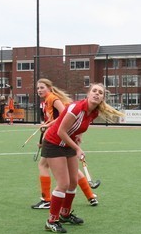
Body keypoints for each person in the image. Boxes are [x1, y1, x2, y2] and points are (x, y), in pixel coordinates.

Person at [39, 83, 123, 233]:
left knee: (73, 183)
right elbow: (61, 131)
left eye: (100, 93)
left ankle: (65, 214)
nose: (97, 94)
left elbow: (80, 126)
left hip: (68, 143)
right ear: (88, 94)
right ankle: (51, 221)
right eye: (94, 91)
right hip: (54, 143)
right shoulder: (76, 108)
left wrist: (78, 136)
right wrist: (77, 148)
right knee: (63, 184)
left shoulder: (93, 112)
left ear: (102, 98)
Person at [31, 79, 100, 210]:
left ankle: (47, 200)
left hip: (58, 139)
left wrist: (49, 125)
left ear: (49, 88)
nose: (39, 90)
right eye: (38, 88)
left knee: (44, 166)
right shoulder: (46, 101)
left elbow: (63, 114)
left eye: (42, 87)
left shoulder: (52, 98)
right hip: (59, 137)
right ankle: (90, 196)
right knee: (71, 172)